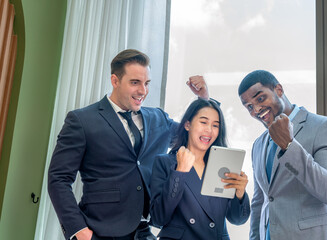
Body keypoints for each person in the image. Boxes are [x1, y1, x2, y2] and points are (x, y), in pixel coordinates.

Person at [48, 49, 209, 240]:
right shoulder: (82, 120)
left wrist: (204, 100)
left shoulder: (158, 118)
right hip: (99, 231)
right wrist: (78, 230)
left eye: (146, 83)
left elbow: (194, 137)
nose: (143, 91)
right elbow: (58, 179)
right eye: (135, 83)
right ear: (115, 81)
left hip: (144, 231)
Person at [238, 70, 327, 240]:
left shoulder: (324, 127)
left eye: (260, 99)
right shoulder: (258, 145)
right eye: (249, 107)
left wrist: (289, 146)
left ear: (279, 90)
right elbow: (260, 204)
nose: (256, 109)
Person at [150, 98, 250, 240]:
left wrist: (240, 194)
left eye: (215, 125)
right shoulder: (165, 162)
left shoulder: (222, 164)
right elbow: (159, 218)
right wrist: (179, 173)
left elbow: (238, 220)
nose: (209, 130)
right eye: (203, 122)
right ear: (187, 124)